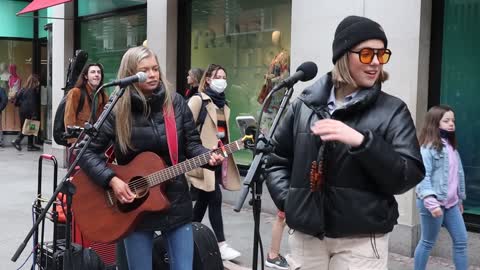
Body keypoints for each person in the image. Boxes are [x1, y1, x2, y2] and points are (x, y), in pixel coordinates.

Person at [265, 15, 425, 270]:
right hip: (307, 238)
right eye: (366, 54)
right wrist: (292, 202)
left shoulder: (393, 110)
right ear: (343, 56)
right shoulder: (303, 106)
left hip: (361, 241)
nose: (375, 63)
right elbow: (275, 160)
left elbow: (408, 175)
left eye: (381, 54)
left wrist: (363, 142)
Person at [78, 46, 225, 270]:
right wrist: (112, 180)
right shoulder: (117, 109)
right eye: (145, 70)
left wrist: (209, 156)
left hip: (175, 201)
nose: (153, 74)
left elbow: (192, 145)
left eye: (155, 68)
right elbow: (84, 152)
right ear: (130, 74)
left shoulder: (175, 103)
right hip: (133, 208)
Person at [186, 63, 242, 261]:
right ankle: (221, 244)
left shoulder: (224, 106)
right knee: (214, 198)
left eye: (224, 76)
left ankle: (186, 237)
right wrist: (194, 153)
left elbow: (222, 134)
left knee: (203, 202)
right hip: (201, 158)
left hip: (218, 159)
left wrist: (232, 147)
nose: (222, 80)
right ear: (208, 79)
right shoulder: (197, 101)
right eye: (218, 76)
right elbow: (184, 128)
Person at [414, 105, 467, 270]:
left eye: (453, 120)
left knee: (461, 241)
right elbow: (423, 176)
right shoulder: (427, 148)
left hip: (451, 204)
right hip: (433, 203)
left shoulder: (451, 146)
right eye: (446, 120)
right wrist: (431, 202)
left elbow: (456, 176)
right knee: (427, 242)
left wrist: (458, 199)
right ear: (435, 123)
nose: (451, 123)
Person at [64, 63, 108, 146]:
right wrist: (73, 141)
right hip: (79, 141)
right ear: (86, 76)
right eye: (93, 72)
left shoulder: (103, 95)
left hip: (95, 141)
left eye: (99, 72)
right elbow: (69, 118)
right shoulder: (76, 92)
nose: (96, 74)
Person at [11, 74, 41, 151]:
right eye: (37, 81)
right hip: (30, 112)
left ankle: (30, 146)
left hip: (22, 112)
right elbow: (32, 104)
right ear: (35, 82)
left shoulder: (22, 89)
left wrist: (21, 104)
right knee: (29, 128)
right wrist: (34, 114)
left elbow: (16, 102)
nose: (39, 83)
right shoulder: (33, 91)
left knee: (28, 128)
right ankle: (17, 141)